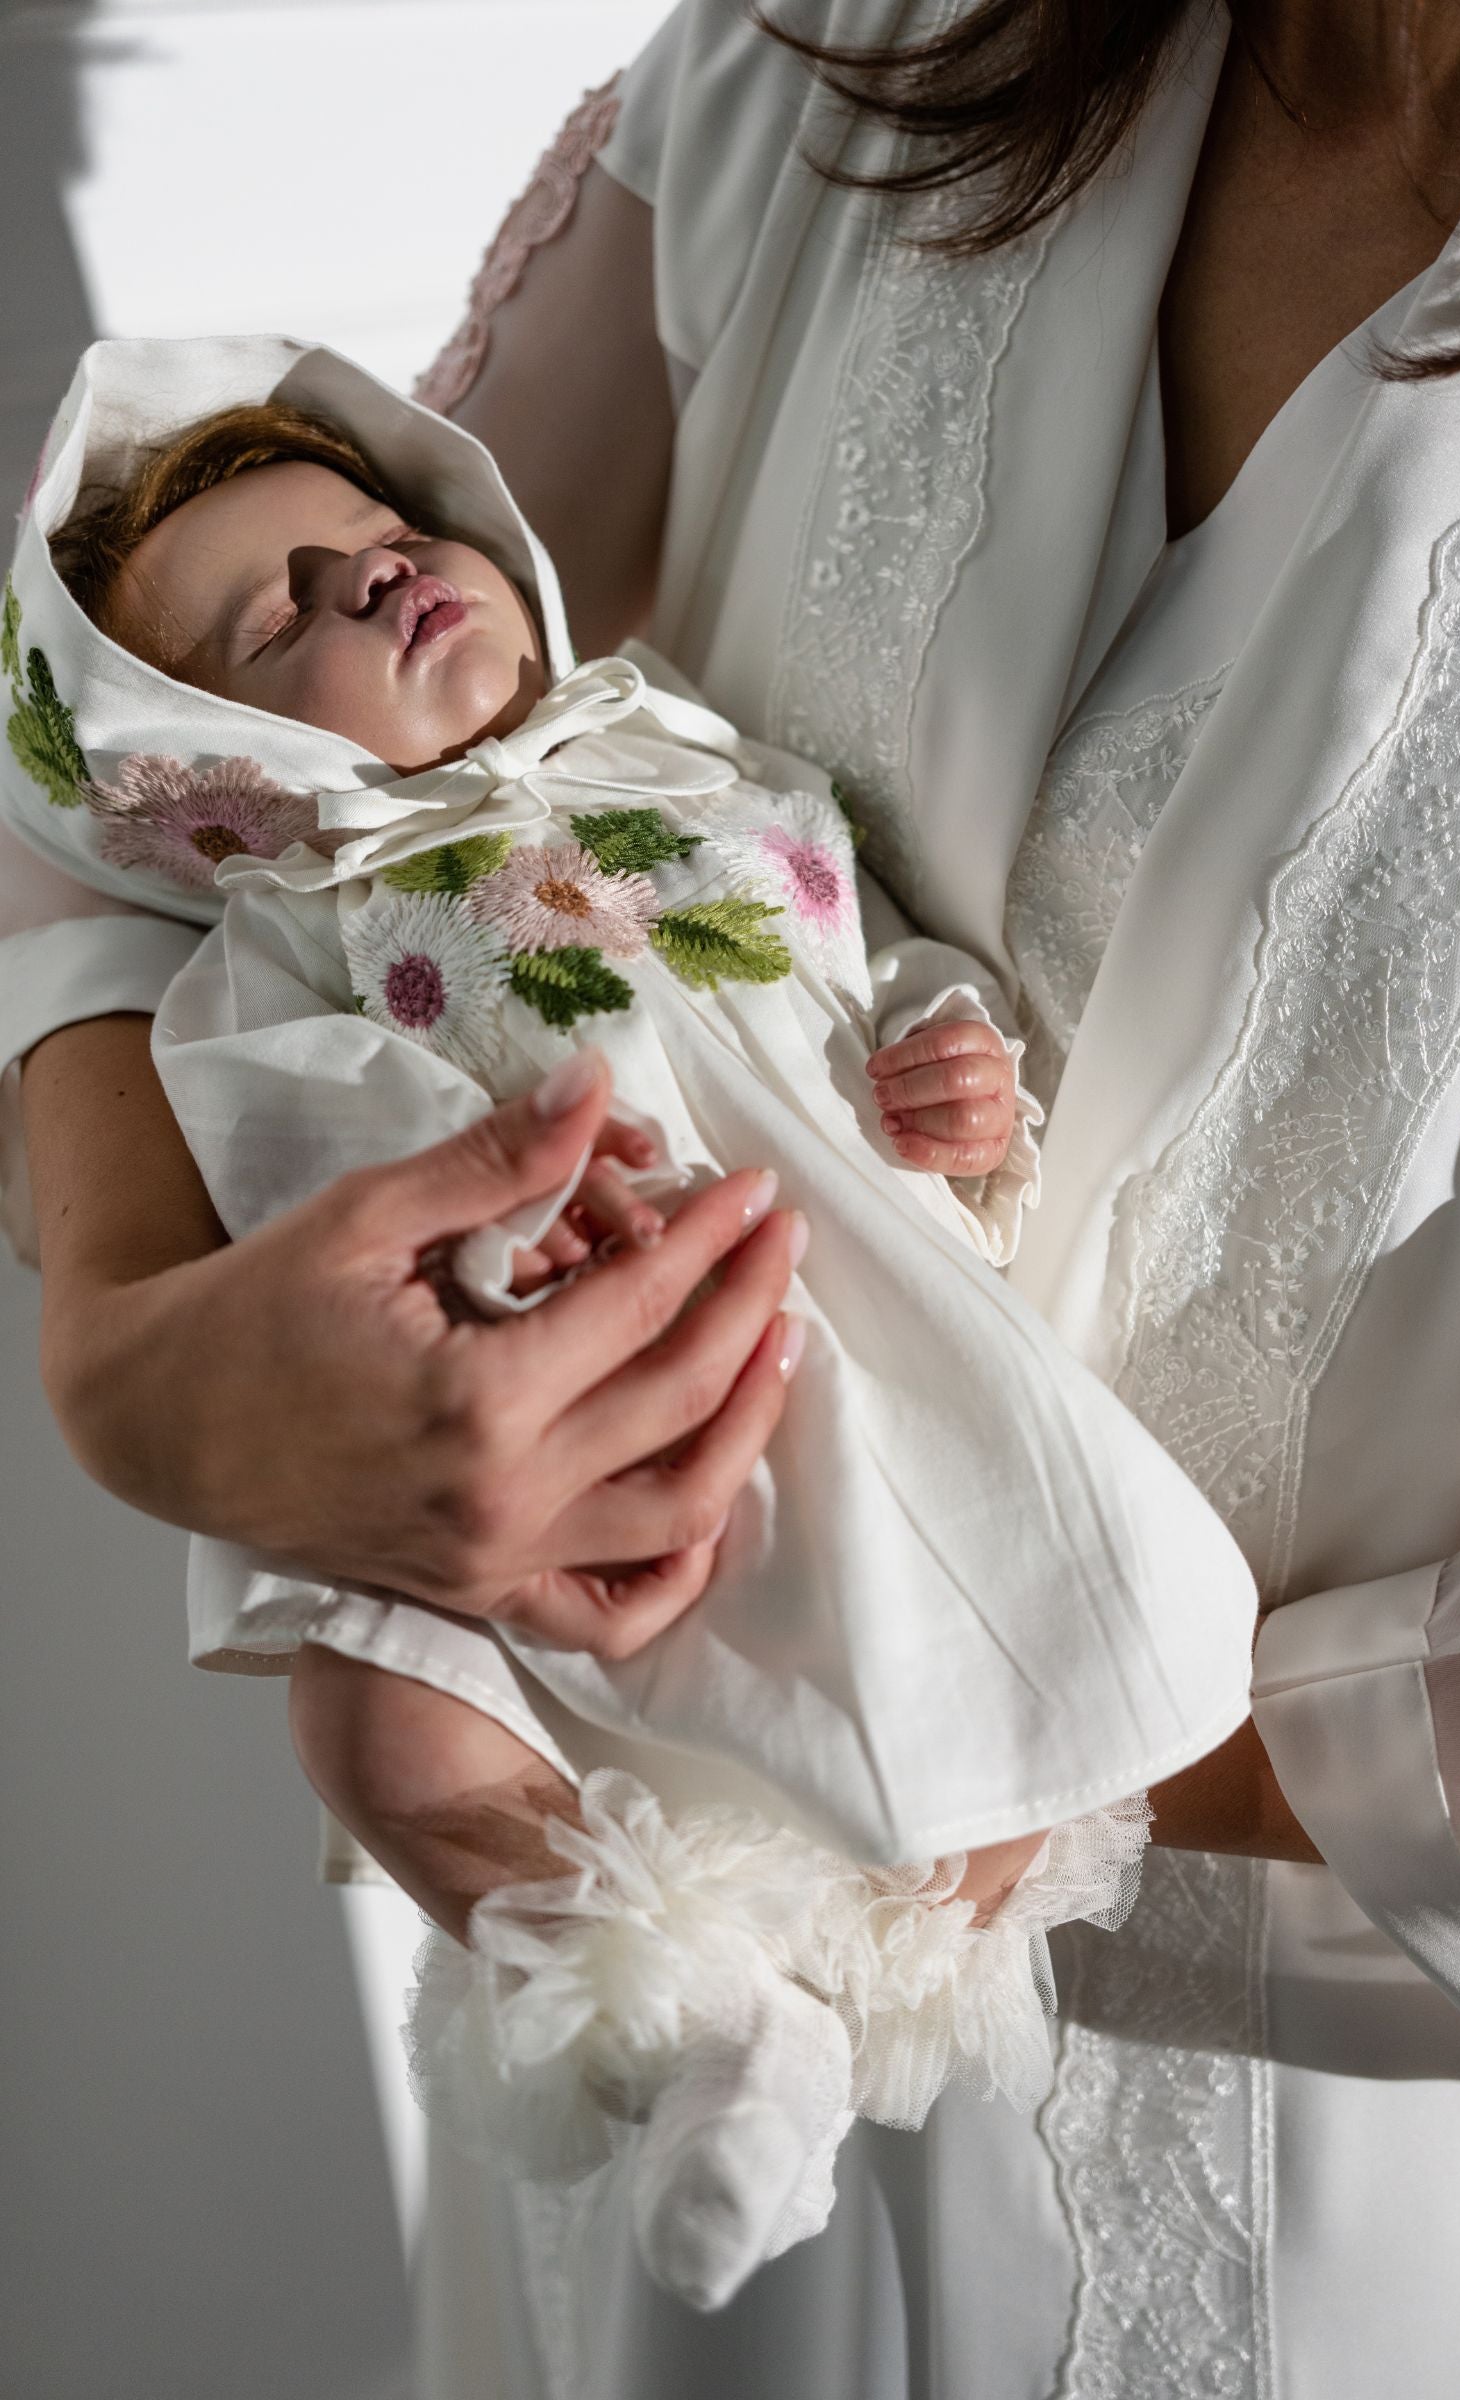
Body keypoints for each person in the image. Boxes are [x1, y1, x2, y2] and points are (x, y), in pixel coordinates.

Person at [7, 1, 1460, 2393]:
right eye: (300, 593)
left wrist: (887, 1691)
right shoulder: (852, 49)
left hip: (1337, 2200)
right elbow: (144, 810)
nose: (364, 589)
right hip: (658, 2214)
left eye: (359, 563)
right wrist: (141, 1346)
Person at [1, 335, 1253, 2307]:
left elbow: (857, 934)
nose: (373, 579)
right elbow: (291, 1187)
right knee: (377, 1736)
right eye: (281, 616)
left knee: (991, 1646)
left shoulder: (688, 761)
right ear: (209, 780)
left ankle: (855, 1963)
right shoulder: (273, 947)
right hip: (535, 1385)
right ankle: (700, 2028)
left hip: (808, 1297)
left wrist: (948, 1055)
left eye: (386, 531)